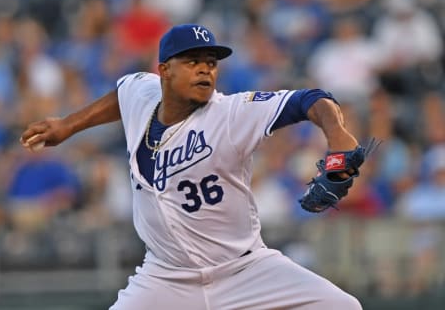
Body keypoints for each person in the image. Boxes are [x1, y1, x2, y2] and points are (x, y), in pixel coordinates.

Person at [21, 24, 362, 309]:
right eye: (192, 61)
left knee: (345, 307)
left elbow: (309, 100)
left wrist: (338, 136)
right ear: (164, 71)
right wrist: (68, 125)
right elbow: (121, 96)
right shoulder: (143, 94)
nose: (205, 69)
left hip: (244, 270)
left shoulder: (230, 115)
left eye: (211, 63)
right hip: (166, 277)